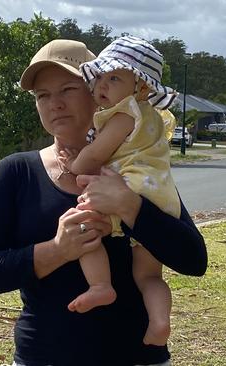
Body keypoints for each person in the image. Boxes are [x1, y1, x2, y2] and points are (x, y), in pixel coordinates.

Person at [0, 39, 207, 366]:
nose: (55, 104)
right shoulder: (16, 172)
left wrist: (130, 206)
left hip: (135, 356)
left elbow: (193, 259)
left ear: (99, 90)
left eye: (67, 89)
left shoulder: (137, 168)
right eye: (42, 96)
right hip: (45, 356)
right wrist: (58, 249)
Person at [56, 35, 180, 346]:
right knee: (149, 276)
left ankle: (100, 285)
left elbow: (97, 155)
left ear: (140, 88)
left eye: (114, 78)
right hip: (160, 196)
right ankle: (160, 322)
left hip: (130, 186)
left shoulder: (124, 114)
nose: (102, 85)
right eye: (99, 77)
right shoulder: (152, 115)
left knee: (83, 224)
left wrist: (74, 165)